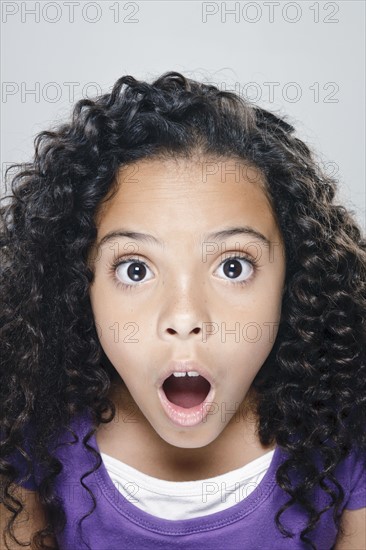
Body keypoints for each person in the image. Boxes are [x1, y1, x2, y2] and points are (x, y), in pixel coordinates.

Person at [0, 71, 365, 550]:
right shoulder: (31, 433)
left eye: (233, 266)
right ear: (74, 283)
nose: (186, 315)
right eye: (135, 270)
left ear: (295, 280)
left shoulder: (343, 441)